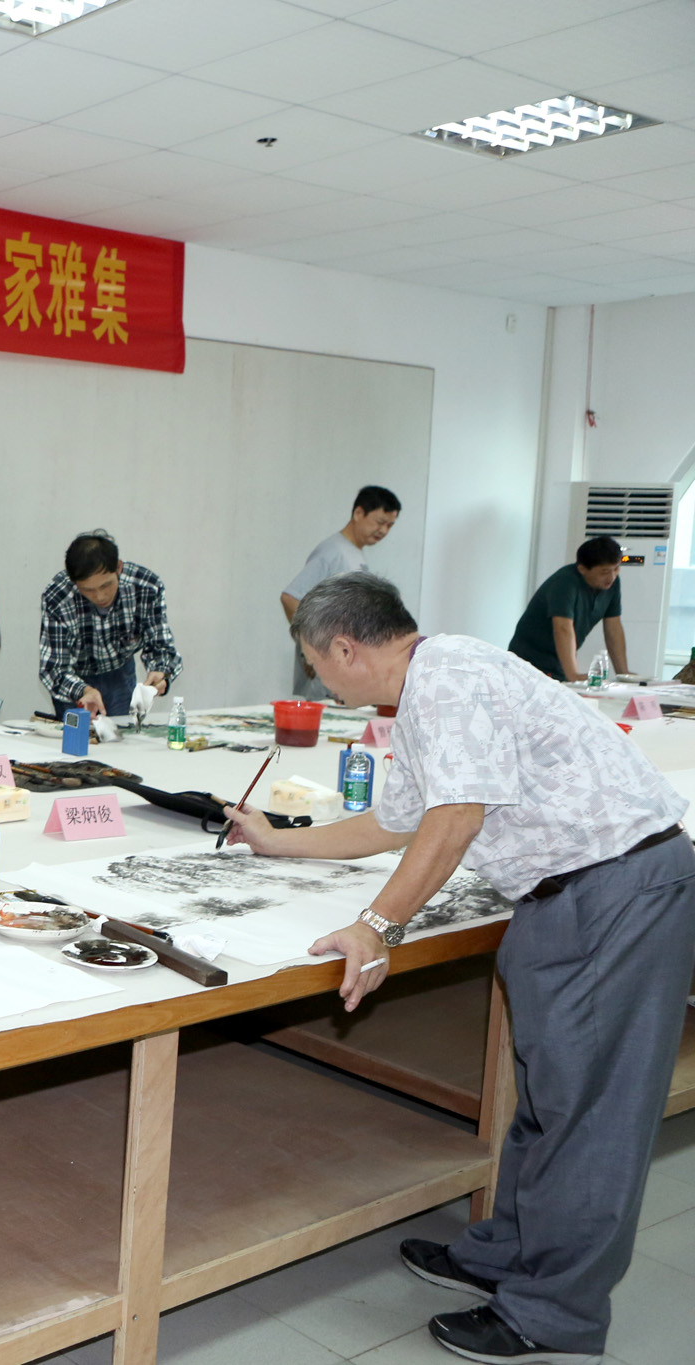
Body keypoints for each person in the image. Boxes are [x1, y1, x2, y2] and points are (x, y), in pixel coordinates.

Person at [225, 573, 692, 1365]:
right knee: (552, 1099)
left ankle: (554, 1313)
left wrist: (376, 927)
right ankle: (506, 1255)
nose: (318, 682)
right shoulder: (420, 697)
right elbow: (392, 820)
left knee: (592, 1116)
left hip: (615, 892)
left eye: (315, 664)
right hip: (570, 897)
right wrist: (279, 840)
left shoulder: (451, 678)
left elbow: (457, 815)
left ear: (346, 646)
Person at [38, 530, 180, 718]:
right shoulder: (58, 598)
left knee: (120, 739)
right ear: (74, 582)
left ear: (119, 568)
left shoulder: (147, 587)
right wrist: (84, 691)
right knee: (78, 741)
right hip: (74, 679)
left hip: (120, 675)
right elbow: (53, 669)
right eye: (88, 590)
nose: (100, 596)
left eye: (106, 585)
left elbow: (160, 646)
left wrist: (161, 671)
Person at [281, 485, 401, 699]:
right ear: (358, 513)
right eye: (380, 522)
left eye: (390, 525)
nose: (384, 531)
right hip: (326, 672)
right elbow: (291, 598)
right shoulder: (333, 552)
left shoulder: (354, 554)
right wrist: (309, 649)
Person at [508, 536, 629, 681]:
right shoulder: (565, 582)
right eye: (604, 572)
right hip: (528, 663)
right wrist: (573, 676)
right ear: (582, 569)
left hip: (558, 663)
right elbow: (563, 629)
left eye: (616, 569)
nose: (612, 577)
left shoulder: (612, 585)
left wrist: (623, 675)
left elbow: (613, 628)